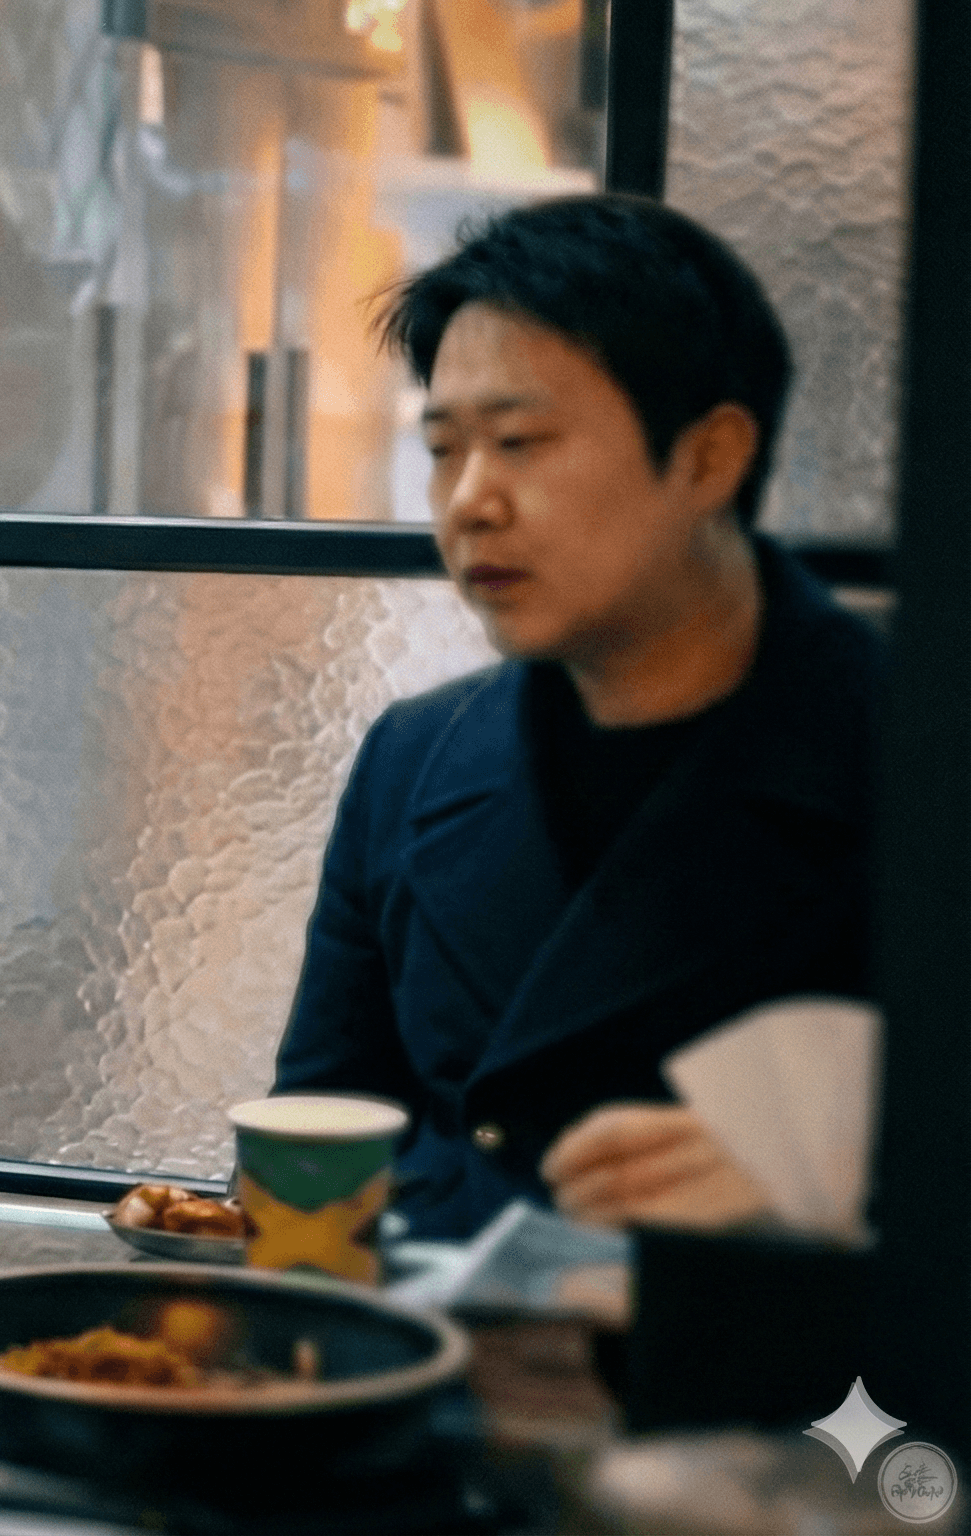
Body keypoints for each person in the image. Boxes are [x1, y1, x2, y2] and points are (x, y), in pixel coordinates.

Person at [273, 195, 882, 1240]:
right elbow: (319, 1140)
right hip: (440, 1385)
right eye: (442, 449)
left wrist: (865, 1171)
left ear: (706, 458)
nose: (469, 502)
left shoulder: (909, 755)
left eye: (518, 441)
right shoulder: (415, 759)